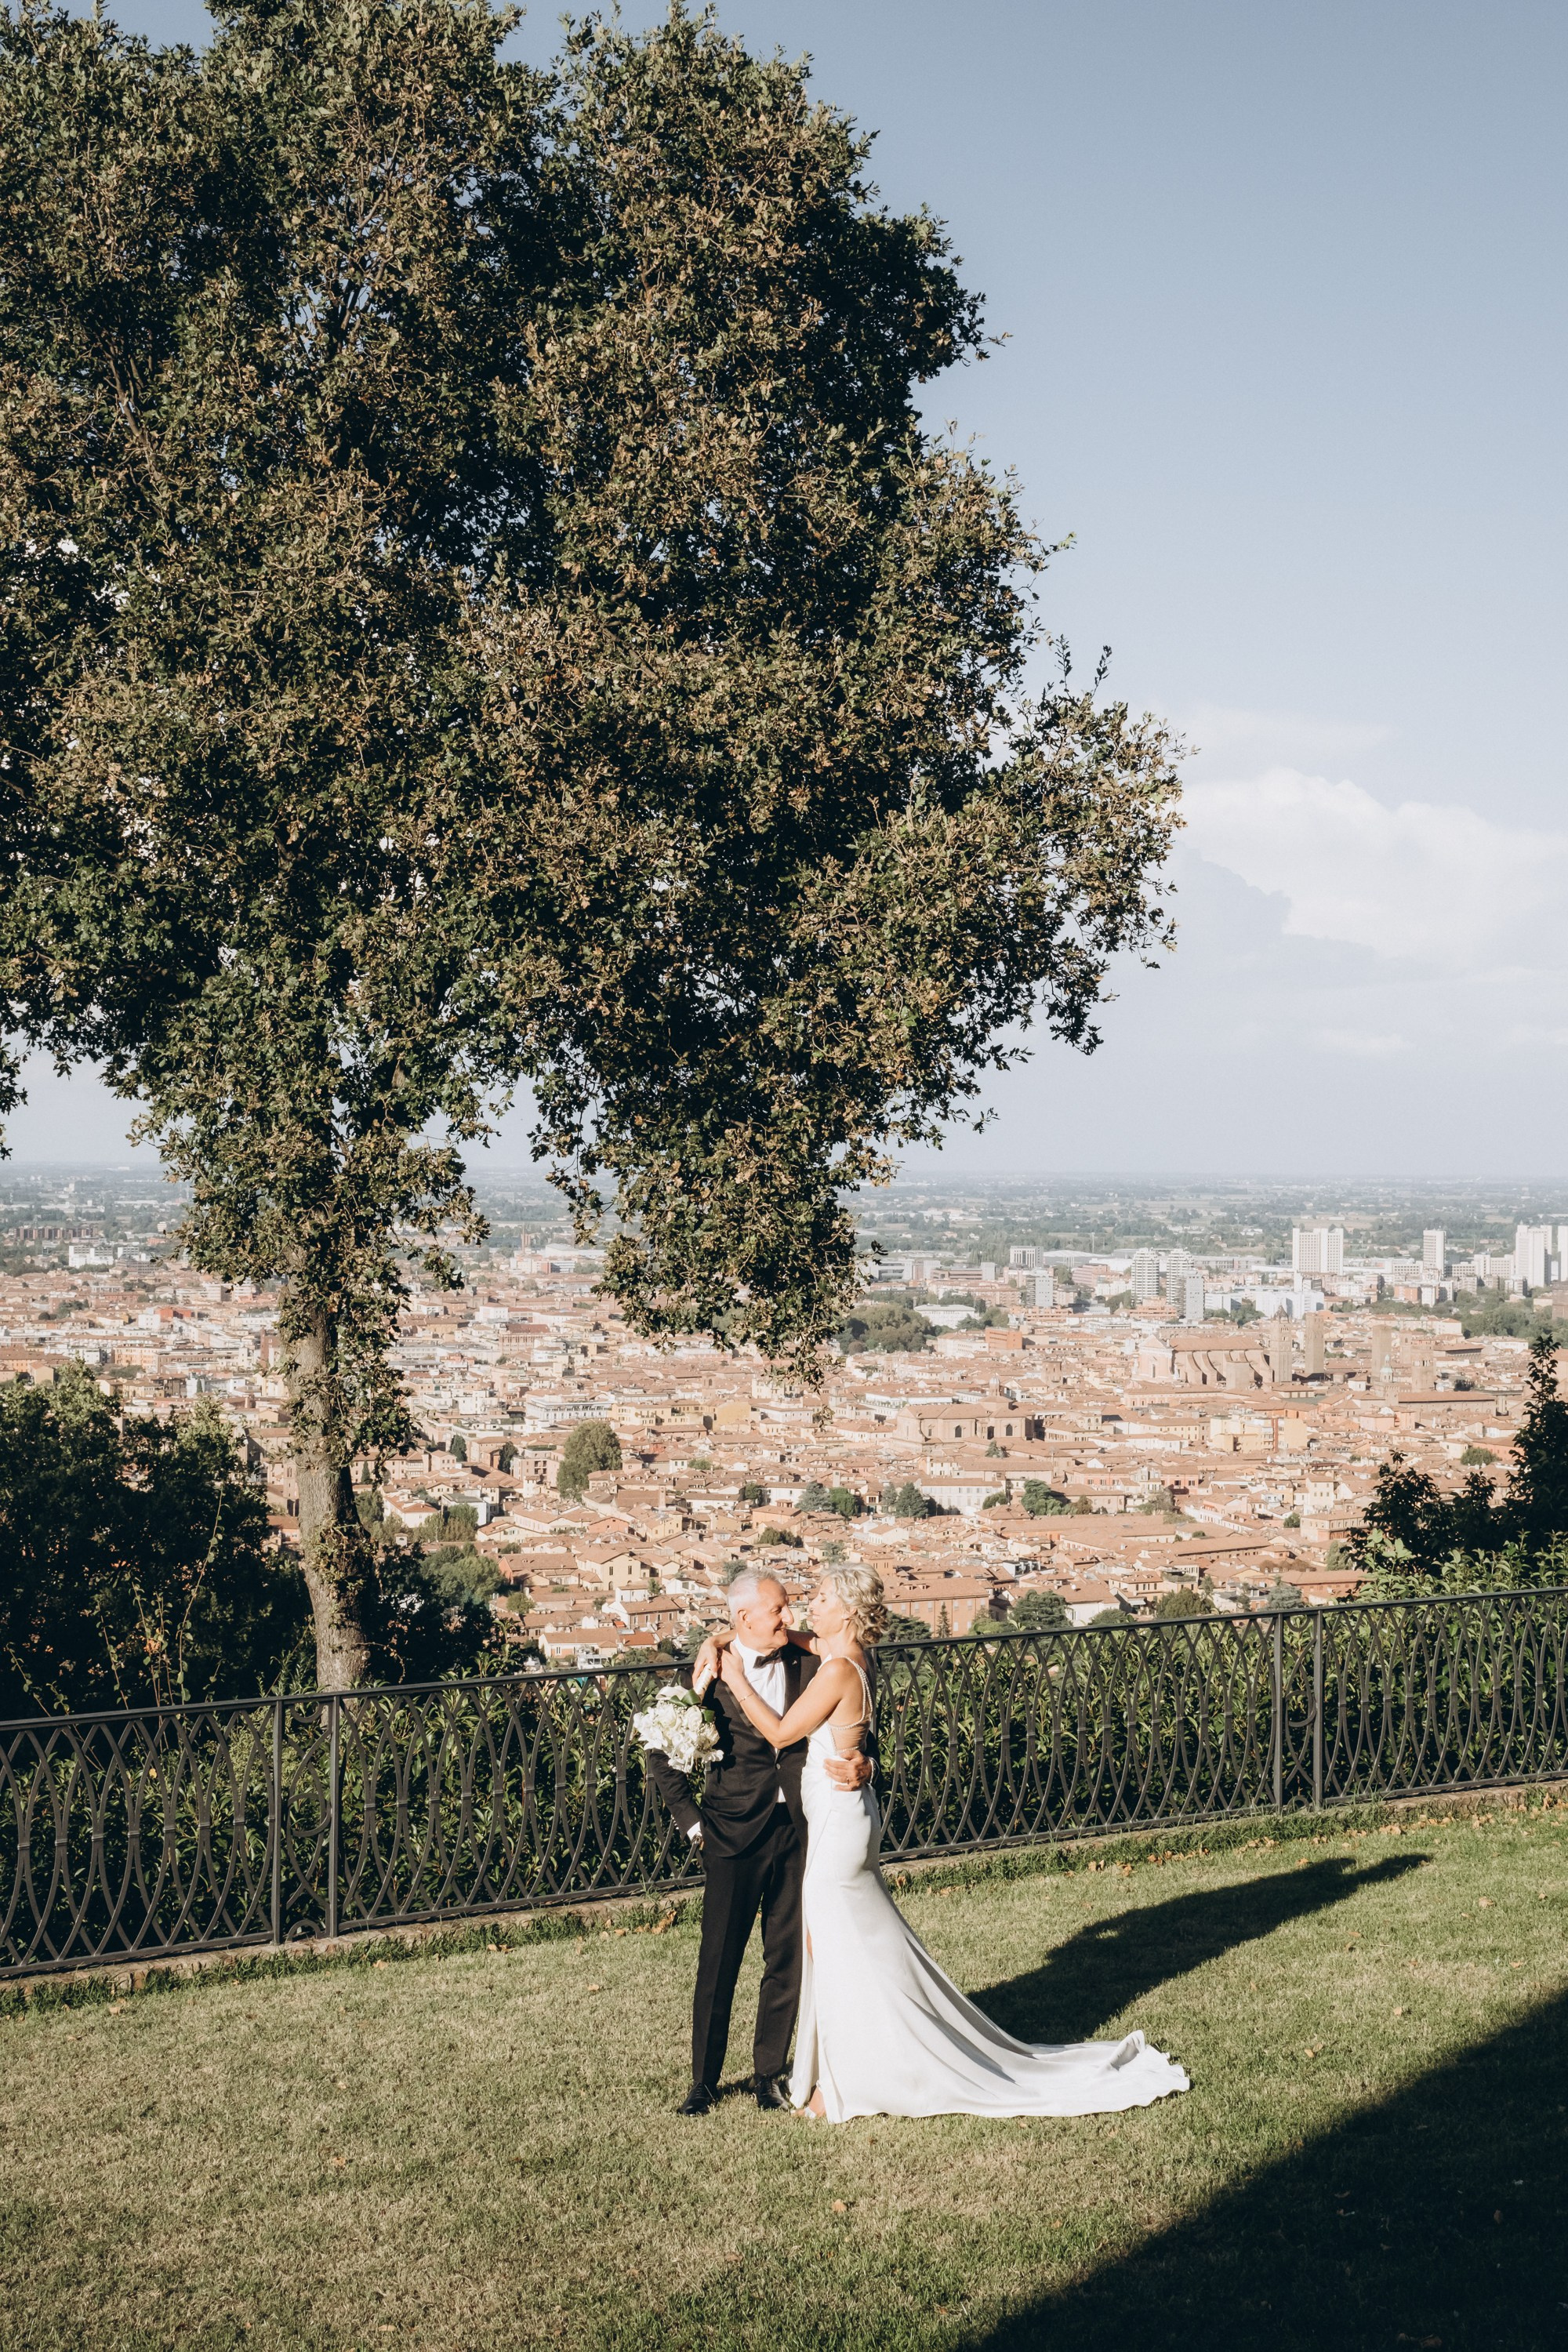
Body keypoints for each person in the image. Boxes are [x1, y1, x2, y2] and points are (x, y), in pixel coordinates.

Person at [717, 1563, 1192, 2124]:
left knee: (836, 1951)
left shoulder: (836, 1669)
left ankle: (844, 2084)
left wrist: (736, 1678)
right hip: (846, 1816)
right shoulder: (850, 1655)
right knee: (854, 1948)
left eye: (817, 1598)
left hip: (839, 1829)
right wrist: (723, 1635)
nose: (804, 1608)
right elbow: (784, 1635)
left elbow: (779, 1732)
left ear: (845, 1610)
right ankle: (848, 2070)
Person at [641, 1569, 873, 2115]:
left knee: (786, 1958)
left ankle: (768, 2074)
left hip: (800, 1828)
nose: (788, 1617)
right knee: (718, 1960)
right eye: (778, 1610)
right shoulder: (707, 1672)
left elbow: (859, 1724)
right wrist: (696, 1826)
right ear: (745, 1618)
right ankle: (703, 2082)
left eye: (791, 1607)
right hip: (729, 1832)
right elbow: (661, 1752)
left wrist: (866, 1762)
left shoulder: (816, 1662)